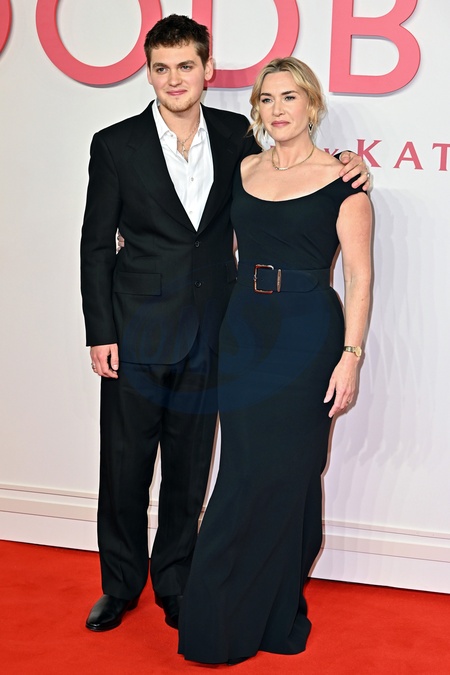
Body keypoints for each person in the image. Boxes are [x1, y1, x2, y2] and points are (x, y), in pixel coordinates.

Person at [80, 14, 369, 633]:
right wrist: (100, 331)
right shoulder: (114, 144)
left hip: (217, 332)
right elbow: (96, 245)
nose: (174, 79)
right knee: (124, 467)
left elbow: (294, 176)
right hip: (136, 332)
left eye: (186, 65)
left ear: (207, 70)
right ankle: (120, 585)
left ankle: (176, 581)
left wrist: (351, 162)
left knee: (190, 471)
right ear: (148, 73)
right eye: (161, 68)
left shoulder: (238, 136)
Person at [178, 57, 372, 665]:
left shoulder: (345, 183)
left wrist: (351, 358)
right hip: (245, 330)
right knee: (241, 473)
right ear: (256, 110)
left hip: (309, 334)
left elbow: (361, 280)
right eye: (266, 99)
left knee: (290, 474)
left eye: (290, 97)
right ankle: (219, 619)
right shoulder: (243, 168)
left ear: (312, 104)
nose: (278, 108)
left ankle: (273, 609)